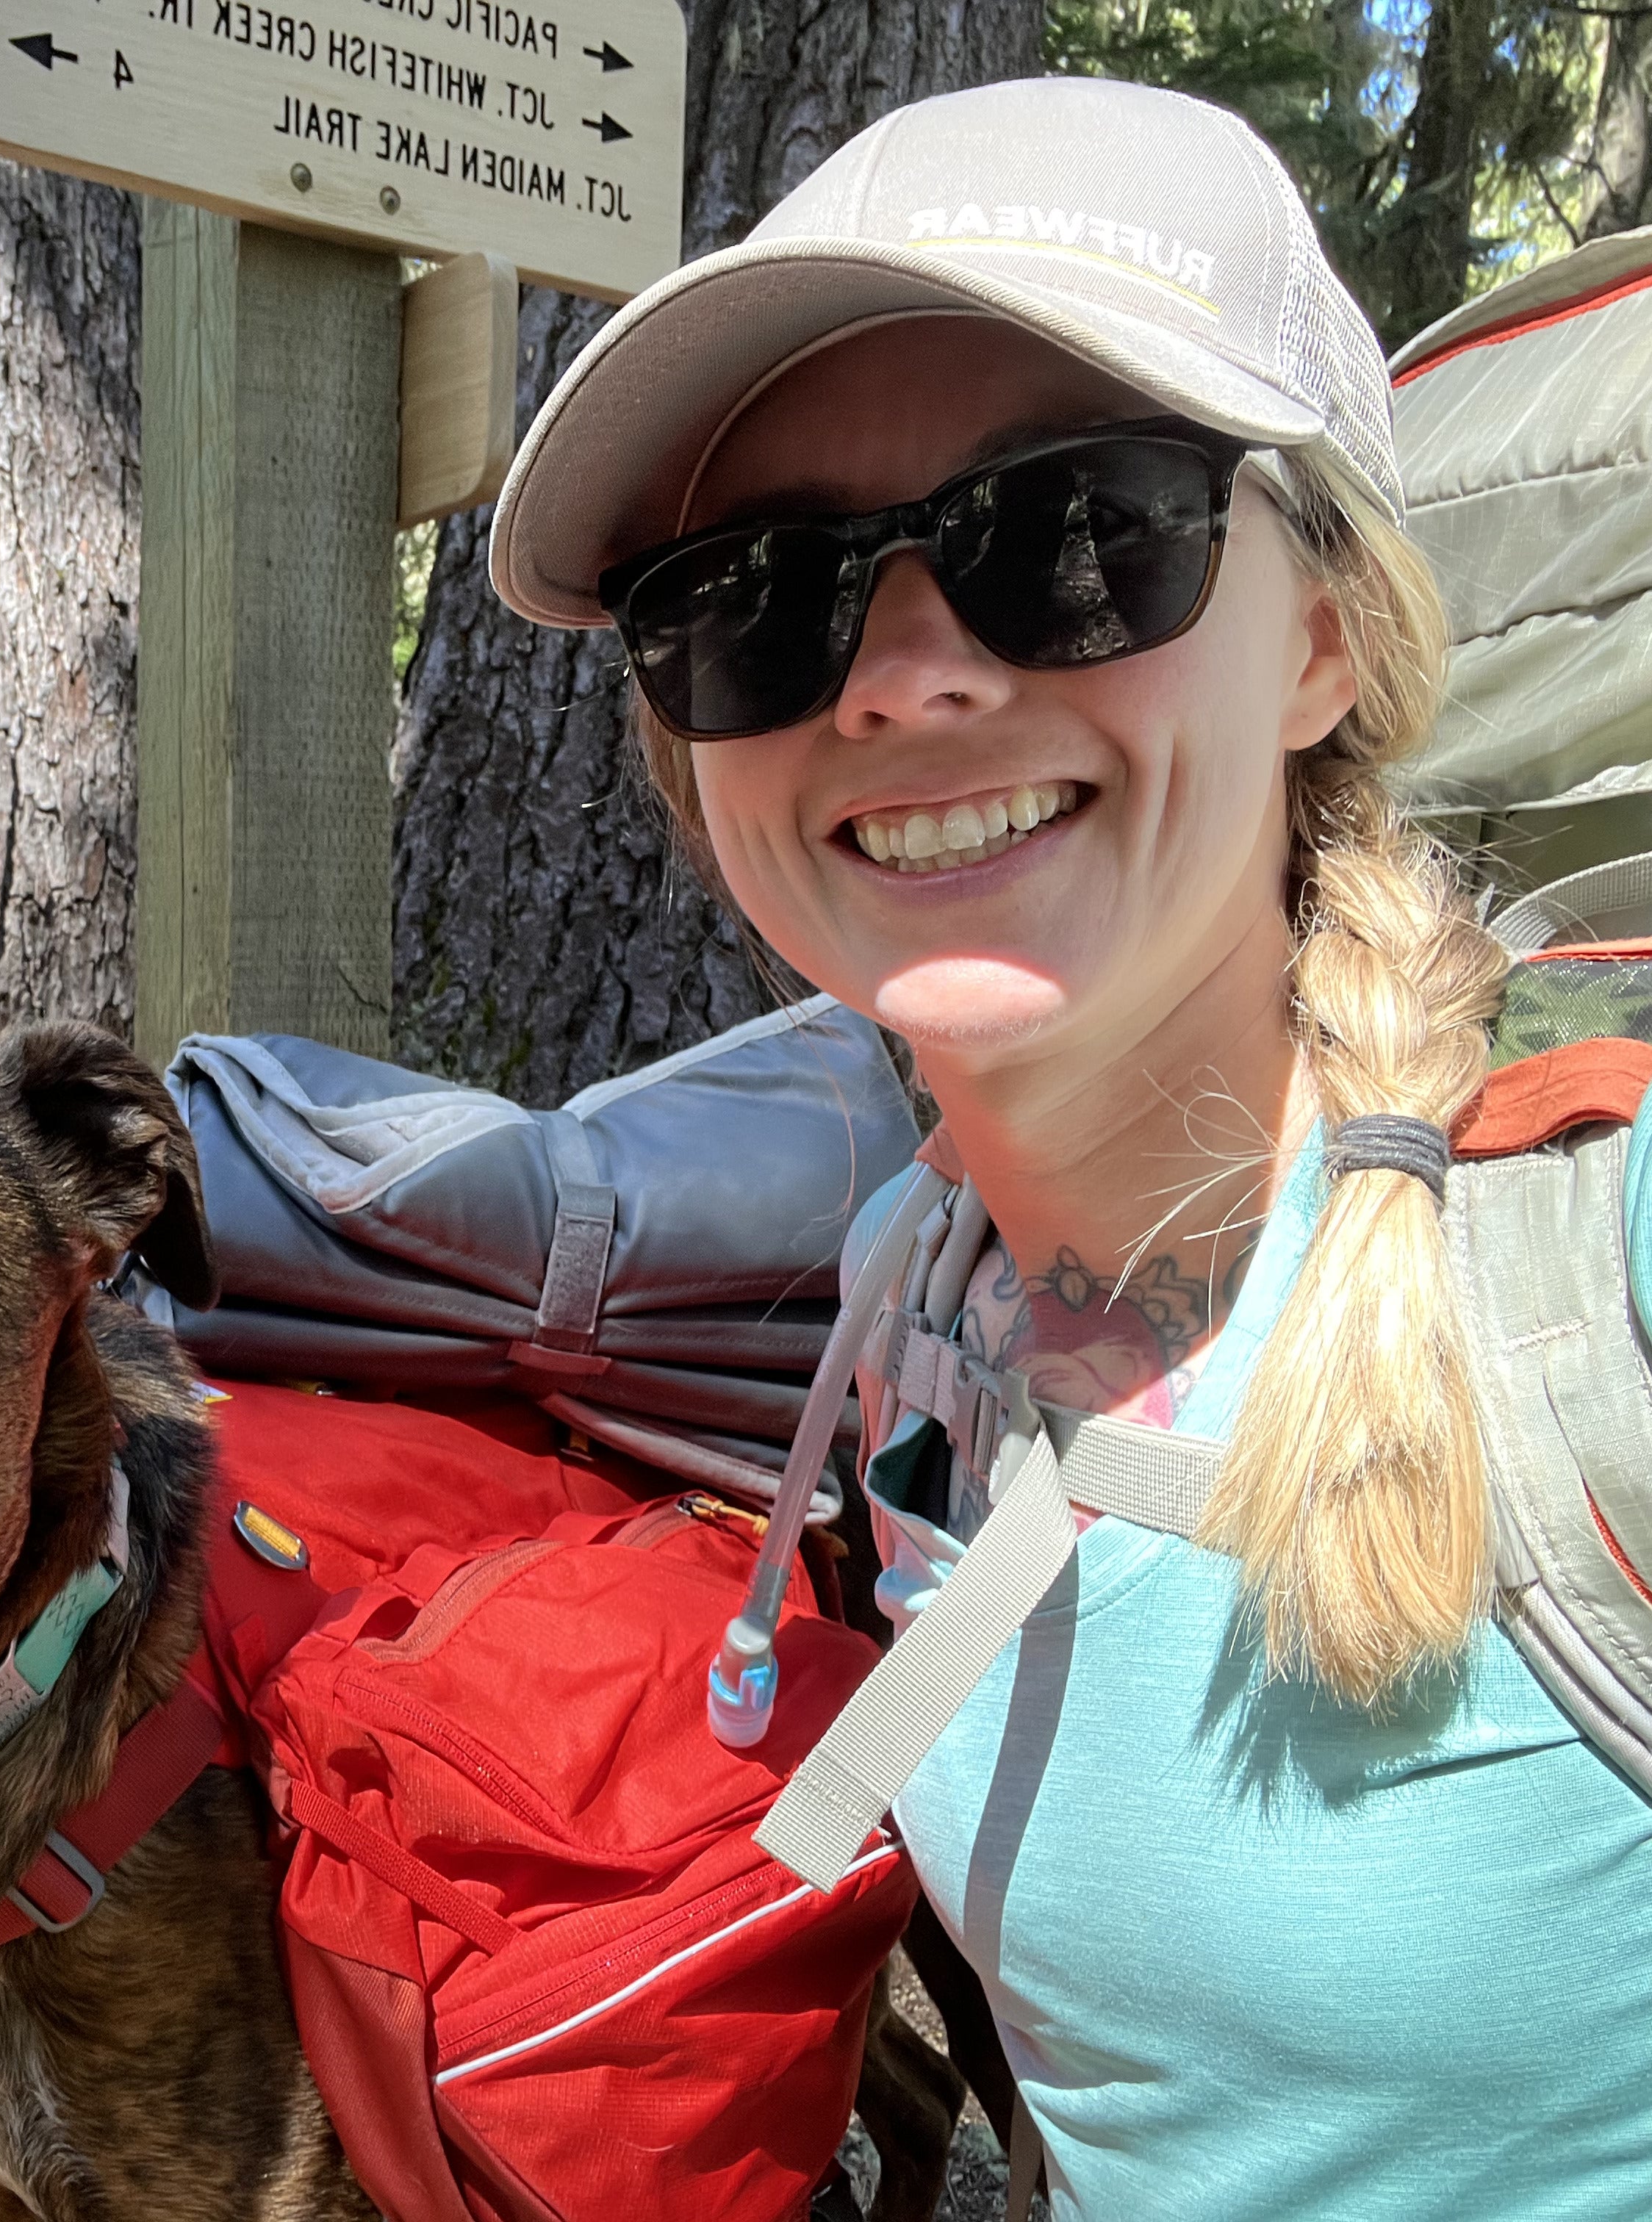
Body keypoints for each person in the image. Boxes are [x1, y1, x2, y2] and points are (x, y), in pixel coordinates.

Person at [484, 76, 1652, 2222]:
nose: (909, 677)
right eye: (756, 597)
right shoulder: (917, 1292)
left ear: (1321, 637)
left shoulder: (1607, 1271)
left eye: (1083, 533)